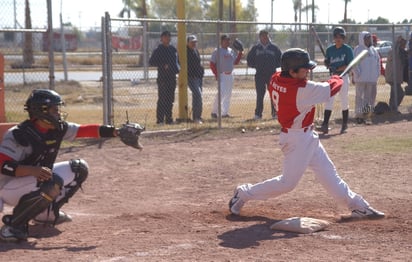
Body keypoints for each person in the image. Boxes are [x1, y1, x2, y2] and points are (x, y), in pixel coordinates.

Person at [228, 48, 385, 220]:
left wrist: (333, 80)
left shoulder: (276, 78)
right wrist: (336, 78)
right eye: (304, 69)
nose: (308, 71)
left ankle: (358, 206)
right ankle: (243, 193)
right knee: (287, 183)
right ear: (292, 71)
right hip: (297, 139)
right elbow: (330, 90)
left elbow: (321, 87)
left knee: (329, 174)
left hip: (306, 136)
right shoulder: (300, 90)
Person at [0, 89, 142, 243]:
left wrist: (116, 131)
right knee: (51, 181)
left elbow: (83, 130)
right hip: (5, 187)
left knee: (78, 168)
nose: (58, 113)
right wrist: (33, 171)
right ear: (41, 111)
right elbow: (2, 165)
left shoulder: (57, 128)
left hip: (31, 180)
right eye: (55, 109)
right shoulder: (18, 134)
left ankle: (46, 214)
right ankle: (13, 227)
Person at [318, 27, 354, 134]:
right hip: (333, 78)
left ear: (343, 38)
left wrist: (337, 68)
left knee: (344, 100)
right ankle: (325, 125)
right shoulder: (330, 50)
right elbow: (327, 61)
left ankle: (344, 125)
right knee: (329, 99)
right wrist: (327, 63)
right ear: (334, 38)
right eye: (336, 37)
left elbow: (349, 65)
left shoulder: (347, 49)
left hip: (343, 77)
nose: (338, 39)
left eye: (340, 37)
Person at [246, 30, 282, 120]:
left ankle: (275, 114)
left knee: (274, 94)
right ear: (260, 37)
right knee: (260, 95)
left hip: (272, 74)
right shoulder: (256, 48)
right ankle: (258, 114)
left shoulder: (274, 48)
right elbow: (249, 60)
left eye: (266, 36)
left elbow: (280, 60)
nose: (265, 38)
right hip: (260, 75)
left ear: (268, 36)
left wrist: (273, 66)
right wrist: (257, 66)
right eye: (263, 36)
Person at [149, 30, 180, 124]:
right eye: (165, 36)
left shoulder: (173, 49)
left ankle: (169, 119)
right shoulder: (158, 49)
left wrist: (178, 69)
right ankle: (160, 120)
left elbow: (177, 62)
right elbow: (151, 62)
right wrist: (162, 65)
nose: (168, 38)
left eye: (169, 36)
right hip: (163, 78)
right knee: (162, 99)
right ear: (161, 38)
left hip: (172, 77)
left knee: (170, 99)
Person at [209, 34, 243, 118]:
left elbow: (235, 62)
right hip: (222, 75)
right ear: (221, 41)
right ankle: (214, 112)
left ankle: (224, 113)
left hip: (230, 75)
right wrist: (216, 74)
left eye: (228, 40)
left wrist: (240, 53)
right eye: (226, 40)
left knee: (228, 94)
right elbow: (212, 64)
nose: (228, 41)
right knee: (221, 94)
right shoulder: (217, 51)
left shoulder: (231, 51)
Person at [352, 31, 380, 125]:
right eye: (366, 38)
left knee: (369, 99)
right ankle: (359, 116)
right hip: (361, 80)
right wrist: (358, 74)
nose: (368, 40)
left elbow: (378, 63)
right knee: (360, 98)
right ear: (362, 39)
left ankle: (366, 116)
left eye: (369, 38)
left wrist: (377, 74)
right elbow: (354, 63)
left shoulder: (373, 50)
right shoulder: (358, 49)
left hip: (371, 79)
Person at [385, 36, 406, 113]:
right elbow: (394, 50)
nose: (404, 46)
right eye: (403, 44)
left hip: (396, 78)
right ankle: (393, 108)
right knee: (400, 93)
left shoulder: (401, 53)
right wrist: (397, 42)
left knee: (394, 94)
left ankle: (392, 109)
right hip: (392, 77)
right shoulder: (393, 52)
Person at [186, 35, 205, 124]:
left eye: (195, 42)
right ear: (188, 42)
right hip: (191, 77)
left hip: (198, 77)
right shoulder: (186, 51)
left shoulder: (196, 51)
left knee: (196, 97)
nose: (194, 44)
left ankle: (197, 117)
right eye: (192, 42)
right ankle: (197, 117)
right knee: (198, 95)